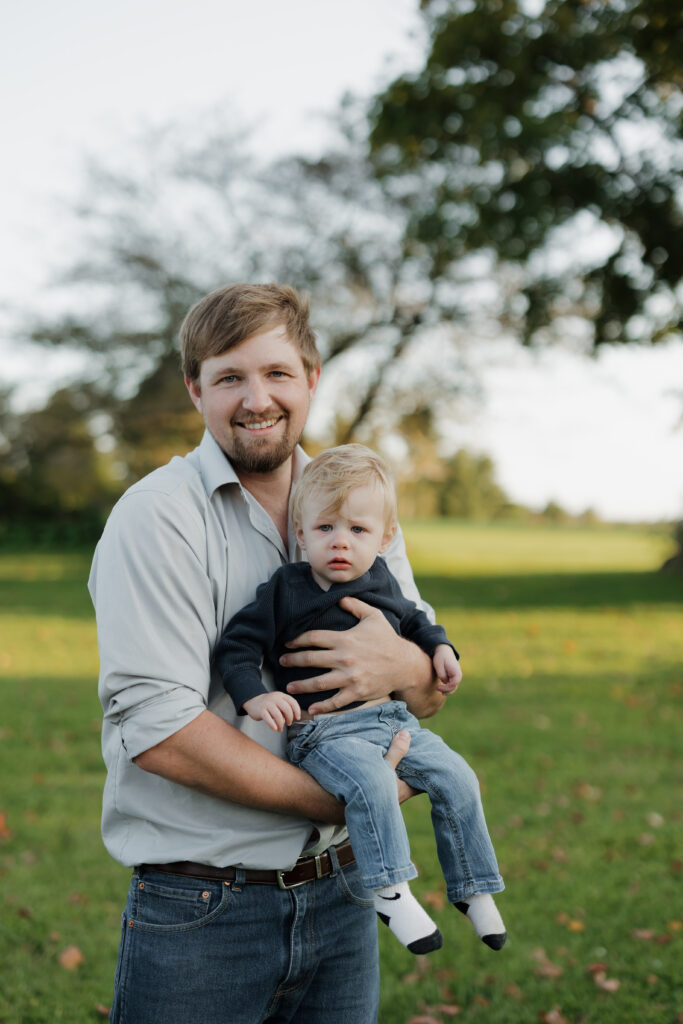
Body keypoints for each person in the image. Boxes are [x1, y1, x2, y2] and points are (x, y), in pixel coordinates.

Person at [88, 283, 456, 1024]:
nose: (257, 399)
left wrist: (414, 667)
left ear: (312, 378)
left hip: (346, 893)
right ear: (196, 390)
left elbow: (425, 682)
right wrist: (353, 796)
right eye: (229, 377)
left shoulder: (352, 501)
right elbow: (161, 734)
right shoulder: (156, 517)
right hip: (205, 908)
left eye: (277, 373)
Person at [214, 444, 506, 957]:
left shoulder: (382, 580)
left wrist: (441, 650)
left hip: (392, 719)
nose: (341, 542)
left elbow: (416, 621)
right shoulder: (287, 588)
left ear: (385, 537)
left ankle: (474, 888)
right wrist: (255, 699)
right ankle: (390, 891)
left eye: (358, 529)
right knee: (372, 781)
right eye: (325, 528)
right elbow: (238, 647)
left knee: (456, 774)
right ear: (301, 534)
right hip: (323, 733)